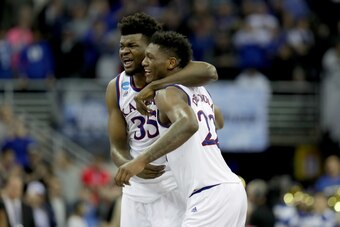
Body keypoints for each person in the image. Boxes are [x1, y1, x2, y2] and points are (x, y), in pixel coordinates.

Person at [114, 31, 247, 227]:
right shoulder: (201, 91)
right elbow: (218, 120)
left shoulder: (166, 93)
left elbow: (189, 124)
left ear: (170, 63)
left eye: (150, 57)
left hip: (208, 194)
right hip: (231, 190)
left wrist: (140, 161)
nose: (144, 62)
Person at [106, 13, 218, 227]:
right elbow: (116, 147)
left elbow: (209, 71)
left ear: (151, 49)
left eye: (132, 45)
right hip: (136, 190)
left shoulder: (169, 78)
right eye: (122, 46)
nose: (124, 52)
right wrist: (128, 163)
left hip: (172, 185)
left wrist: (154, 86)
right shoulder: (116, 87)